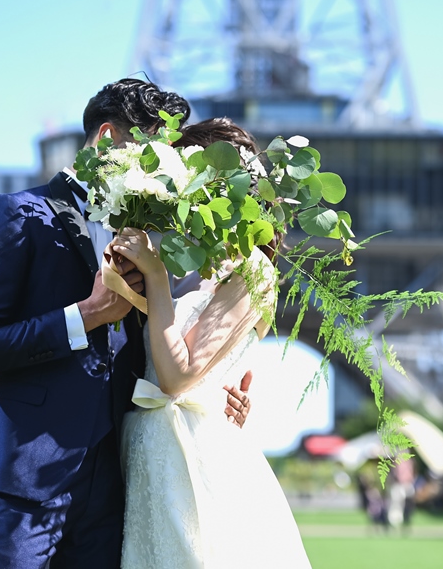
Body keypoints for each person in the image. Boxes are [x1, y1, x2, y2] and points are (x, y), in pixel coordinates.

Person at [0, 79, 253, 568]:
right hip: (20, 477)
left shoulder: (151, 238)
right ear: (108, 138)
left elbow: (163, 349)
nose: (166, 171)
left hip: (115, 482)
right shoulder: (15, 215)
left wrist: (210, 390)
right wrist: (87, 315)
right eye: (153, 151)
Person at [113, 117, 311, 567]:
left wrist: (156, 277)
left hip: (192, 450)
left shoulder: (252, 269)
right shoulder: (182, 263)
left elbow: (178, 375)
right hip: (151, 444)